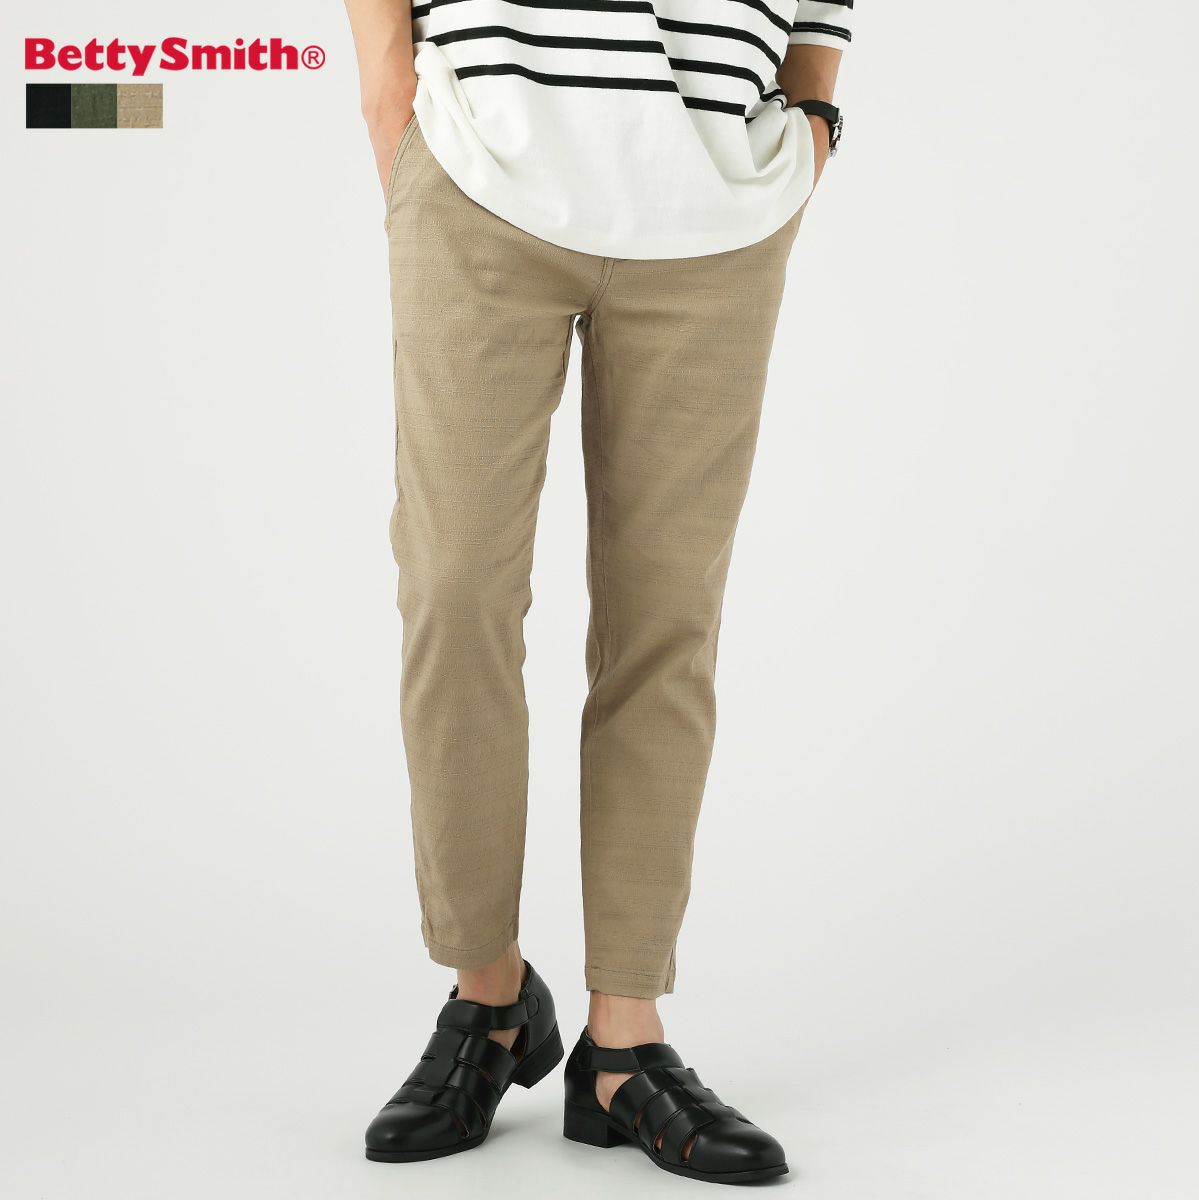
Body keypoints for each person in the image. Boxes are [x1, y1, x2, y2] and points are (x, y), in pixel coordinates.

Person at [343, 0, 851, 1183]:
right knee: (454, 592)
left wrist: (813, 112)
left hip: (718, 198)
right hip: (482, 163)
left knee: (666, 622)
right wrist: (387, 89)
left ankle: (624, 1045)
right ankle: (489, 996)